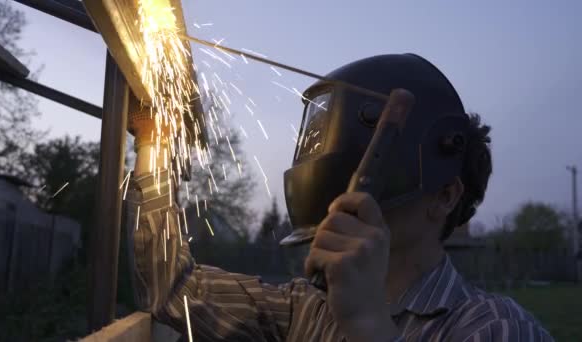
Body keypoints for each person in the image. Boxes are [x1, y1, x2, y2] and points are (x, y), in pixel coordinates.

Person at [126, 54, 553, 341]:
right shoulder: (306, 306)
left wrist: (367, 323)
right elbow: (174, 288)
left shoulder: (493, 327)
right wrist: (152, 147)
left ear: (444, 196)